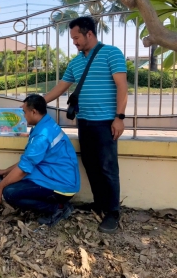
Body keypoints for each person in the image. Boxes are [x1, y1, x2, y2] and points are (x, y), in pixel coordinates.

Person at [44, 16, 128, 234]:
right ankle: (100, 203)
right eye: (72, 38)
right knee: (90, 164)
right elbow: (61, 87)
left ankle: (112, 212)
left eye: (76, 37)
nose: (74, 42)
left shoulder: (111, 53)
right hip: (85, 122)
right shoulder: (76, 62)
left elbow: (122, 87)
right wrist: (38, 101)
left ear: (89, 33)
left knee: (108, 169)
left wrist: (120, 117)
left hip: (106, 123)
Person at [0, 94, 80, 227]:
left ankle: (58, 208)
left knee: (9, 192)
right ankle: (58, 205)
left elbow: (23, 169)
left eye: (24, 112)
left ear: (33, 112)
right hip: (55, 176)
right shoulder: (44, 124)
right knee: (12, 181)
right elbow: (28, 160)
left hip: (61, 185)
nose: (23, 116)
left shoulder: (42, 136)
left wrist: (0, 187)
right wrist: (6, 171)